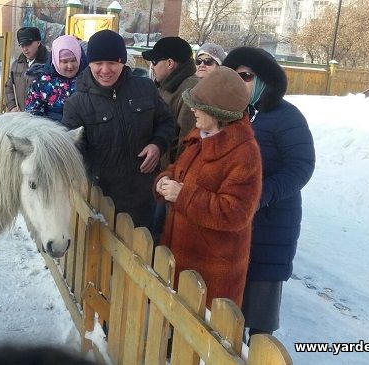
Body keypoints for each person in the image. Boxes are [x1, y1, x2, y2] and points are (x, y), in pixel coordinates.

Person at [222, 47, 315, 339]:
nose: (240, 83)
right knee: (230, 310)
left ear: (264, 79)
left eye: (246, 76)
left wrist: (260, 194)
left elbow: (301, 167)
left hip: (272, 226)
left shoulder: (287, 117)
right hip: (236, 224)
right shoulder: (237, 116)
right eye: (235, 77)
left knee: (260, 317)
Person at [154, 67, 262, 308]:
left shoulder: (244, 153)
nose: (192, 109)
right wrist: (165, 179)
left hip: (211, 271)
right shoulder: (202, 132)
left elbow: (236, 212)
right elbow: (181, 169)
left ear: (218, 112)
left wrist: (183, 195)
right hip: (179, 256)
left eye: (198, 105)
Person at [61, 29, 176, 231]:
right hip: (103, 201)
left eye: (112, 63)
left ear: (122, 61)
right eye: (98, 63)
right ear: (89, 63)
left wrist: (158, 144)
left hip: (145, 197)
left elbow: (167, 122)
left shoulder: (146, 88)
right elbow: (73, 154)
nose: (105, 70)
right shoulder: (76, 104)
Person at [142, 36, 199, 243]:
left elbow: (188, 142)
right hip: (162, 176)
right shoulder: (167, 86)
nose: (152, 67)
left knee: (162, 237)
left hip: (173, 183)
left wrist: (173, 178)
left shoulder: (189, 90)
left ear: (169, 63)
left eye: (154, 62)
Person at [25, 35, 88, 122]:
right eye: (64, 61)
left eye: (73, 60)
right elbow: (33, 115)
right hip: (52, 132)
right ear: (55, 61)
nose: (70, 66)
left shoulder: (89, 80)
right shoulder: (41, 83)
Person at [4, 27, 48, 112]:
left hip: (41, 119)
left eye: (28, 44)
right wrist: (12, 106)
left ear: (38, 42)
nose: (25, 49)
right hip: (20, 117)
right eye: (22, 45)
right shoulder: (17, 65)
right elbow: (9, 87)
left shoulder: (49, 64)